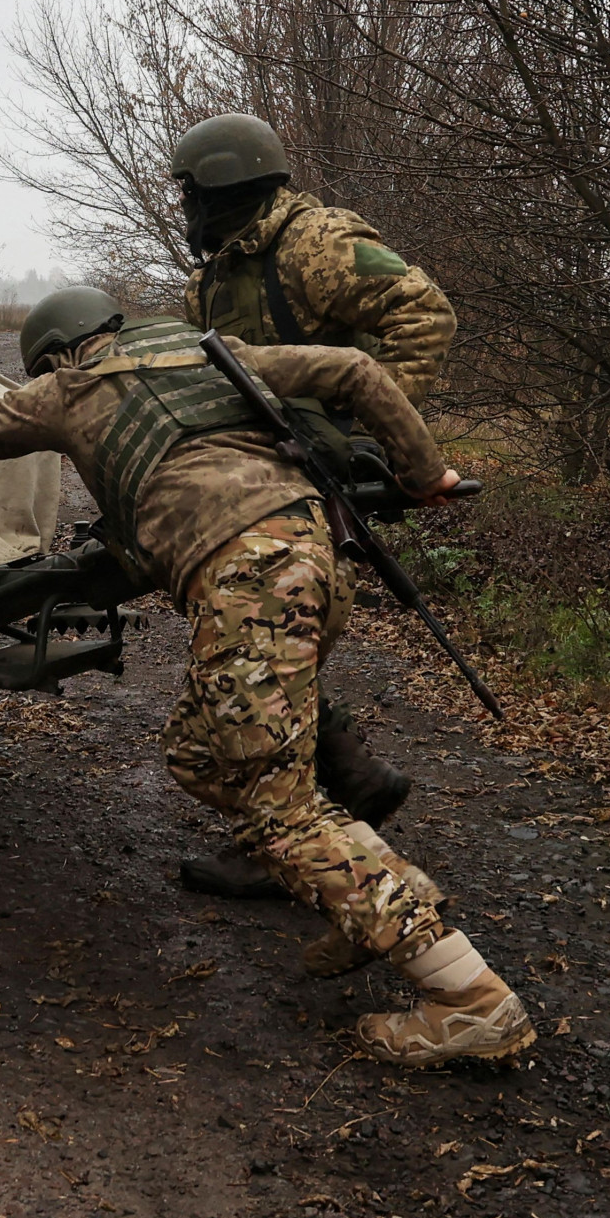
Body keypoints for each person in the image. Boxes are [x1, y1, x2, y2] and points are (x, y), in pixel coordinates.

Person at [0, 287, 531, 1067]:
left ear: (58, 354)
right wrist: (425, 472)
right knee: (196, 751)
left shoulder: (70, 390)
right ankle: (371, 900)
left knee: (279, 816)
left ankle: (470, 1001)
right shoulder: (210, 352)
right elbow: (358, 369)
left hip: (249, 583)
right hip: (313, 566)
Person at [171, 113, 456, 898]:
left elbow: (424, 315)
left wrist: (367, 435)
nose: (186, 209)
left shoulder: (314, 242)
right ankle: (349, 777)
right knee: (257, 635)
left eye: (191, 192)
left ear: (225, 184)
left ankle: (293, 839)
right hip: (252, 479)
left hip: (314, 478)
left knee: (257, 645)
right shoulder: (213, 277)